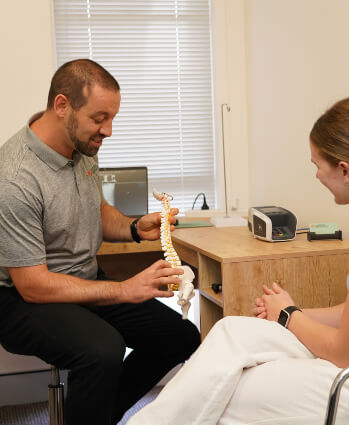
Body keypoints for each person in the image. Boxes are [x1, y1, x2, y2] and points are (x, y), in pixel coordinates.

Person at [126, 91, 349, 425]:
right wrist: (287, 312)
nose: (316, 176)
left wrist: (288, 315)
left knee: (224, 389)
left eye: (318, 165)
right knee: (231, 332)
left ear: (345, 170)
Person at [0, 59, 200, 425]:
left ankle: (101, 417)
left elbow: (98, 209)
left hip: (84, 278)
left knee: (180, 337)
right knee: (102, 350)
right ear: (62, 106)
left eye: (112, 118)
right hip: (21, 298)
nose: (107, 130)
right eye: (99, 118)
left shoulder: (83, 148)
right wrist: (124, 290)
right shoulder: (14, 179)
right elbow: (32, 285)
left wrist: (135, 227)